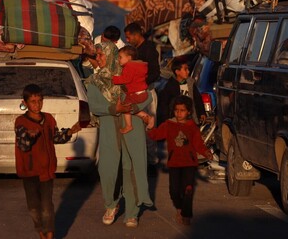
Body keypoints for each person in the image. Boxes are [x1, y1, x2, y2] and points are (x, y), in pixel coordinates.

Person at [84, 41, 153, 228]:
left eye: (101, 54)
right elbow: (95, 106)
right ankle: (111, 205)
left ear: (113, 55)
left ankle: (132, 212)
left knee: (130, 169)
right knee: (107, 169)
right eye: (96, 55)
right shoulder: (94, 82)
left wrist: (136, 109)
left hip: (132, 129)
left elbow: (146, 95)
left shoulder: (128, 73)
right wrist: (115, 107)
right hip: (109, 130)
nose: (98, 58)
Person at [14, 84, 81, 239]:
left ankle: (50, 235)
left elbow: (55, 138)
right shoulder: (21, 122)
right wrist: (30, 136)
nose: (37, 104)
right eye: (33, 101)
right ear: (25, 103)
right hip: (29, 171)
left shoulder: (49, 119)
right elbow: (23, 146)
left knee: (46, 207)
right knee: (33, 208)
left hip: (47, 170)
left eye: (40, 101)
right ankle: (41, 232)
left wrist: (70, 131)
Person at [147, 95, 213, 226]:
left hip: (189, 163)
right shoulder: (168, 124)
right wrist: (150, 126)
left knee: (188, 189)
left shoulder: (192, 126)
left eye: (182, 110)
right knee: (174, 191)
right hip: (174, 164)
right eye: (176, 110)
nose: (179, 113)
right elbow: (156, 135)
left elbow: (198, 143)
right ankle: (179, 208)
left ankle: (186, 214)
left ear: (188, 112)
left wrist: (206, 152)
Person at [123, 22, 161, 169]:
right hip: (134, 94)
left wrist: (140, 83)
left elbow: (155, 73)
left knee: (149, 127)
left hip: (146, 94)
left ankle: (152, 161)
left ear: (136, 35)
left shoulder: (149, 50)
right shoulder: (133, 50)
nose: (127, 40)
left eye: (128, 37)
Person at [111, 45, 154, 134]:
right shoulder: (140, 66)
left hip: (135, 94)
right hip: (142, 92)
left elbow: (126, 79)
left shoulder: (129, 66)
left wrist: (113, 79)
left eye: (120, 57)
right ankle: (147, 117)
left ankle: (128, 126)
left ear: (129, 58)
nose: (118, 60)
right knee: (132, 109)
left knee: (125, 108)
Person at [158, 58, 206, 125]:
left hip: (190, 117)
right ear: (177, 72)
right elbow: (164, 105)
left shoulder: (190, 83)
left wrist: (202, 112)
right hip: (176, 120)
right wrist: (166, 120)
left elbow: (197, 98)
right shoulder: (170, 86)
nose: (188, 72)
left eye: (188, 69)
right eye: (185, 69)